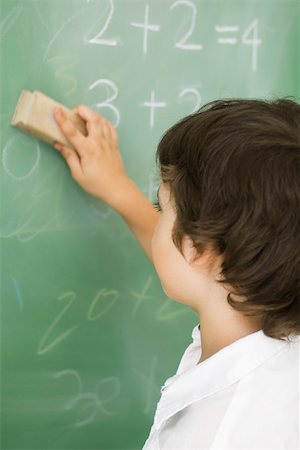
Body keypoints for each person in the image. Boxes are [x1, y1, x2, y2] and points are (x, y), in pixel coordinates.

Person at [53, 97, 300, 449]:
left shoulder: (217, 435)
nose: (158, 218)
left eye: (161, 206)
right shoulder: (268, 318)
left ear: (198, 248)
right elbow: (190, 261)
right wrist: (118, 189)